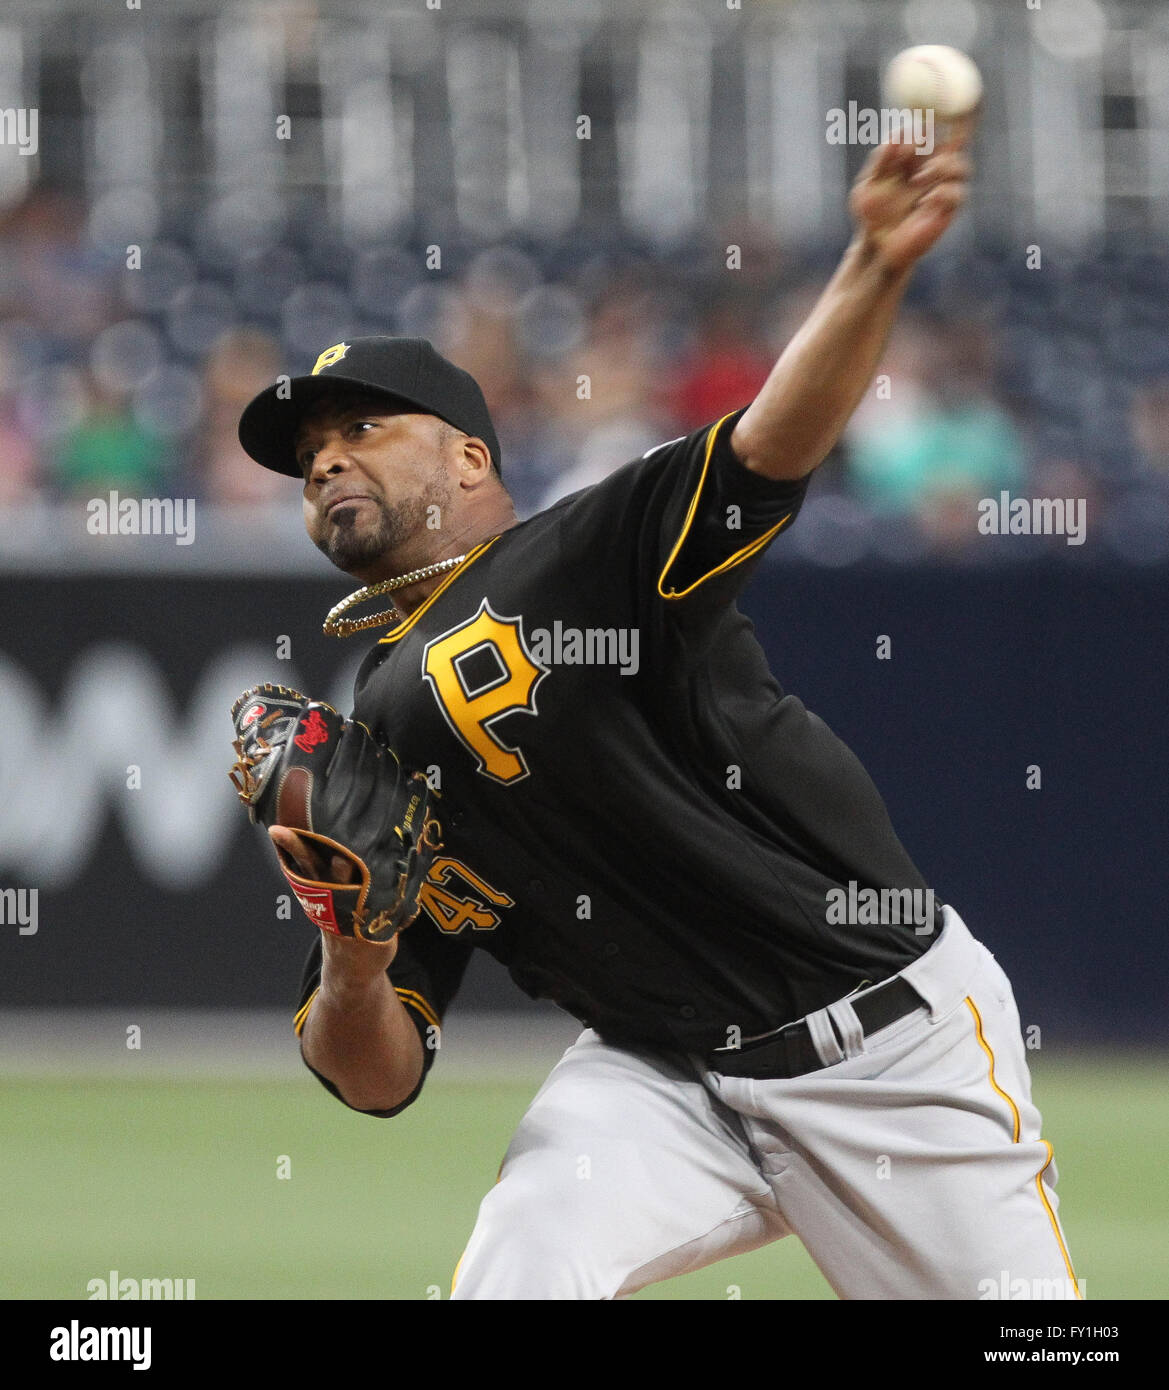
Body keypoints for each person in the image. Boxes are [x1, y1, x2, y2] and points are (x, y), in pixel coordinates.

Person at [236, 130, 1079, 1300]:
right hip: (662, 1075)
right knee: (510, 1279)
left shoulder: (588, 549)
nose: (326, 462)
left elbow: (767, 446)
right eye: (310, 453)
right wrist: (353, 959)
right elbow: (374, 1078)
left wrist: (874, 268)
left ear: (470, 455)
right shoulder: (372, 732)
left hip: (884, 1046)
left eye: (361, 429)